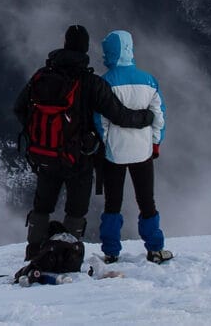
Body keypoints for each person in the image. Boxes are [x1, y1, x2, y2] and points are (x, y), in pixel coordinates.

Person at [14, 25, 156, 261]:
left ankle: (33, 252)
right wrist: (146, 118)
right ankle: (69, 253)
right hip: (78, 158)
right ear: (86, 49)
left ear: (64, 44)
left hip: (45, 155)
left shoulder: (41, 76)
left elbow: (19, 108)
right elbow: (119, 115)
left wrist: (40, 134)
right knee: (76, 209)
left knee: (42, 207)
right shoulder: (90, 82)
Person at [95, 30, 172, 264]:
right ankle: (155, 248)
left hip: (114, 153)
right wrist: (155, 143)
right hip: (143, 151)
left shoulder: (105, 82)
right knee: (147, 201)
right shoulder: (149, 80)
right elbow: (159, 115)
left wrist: (105, 144)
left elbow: (101, 121)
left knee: (112, 203)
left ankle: (111, 251)